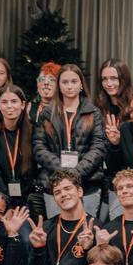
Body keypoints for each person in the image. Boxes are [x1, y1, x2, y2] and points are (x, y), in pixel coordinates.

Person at [35, 64, 109, 215]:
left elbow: (98, 147)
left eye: (74, 82)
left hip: (87, 185)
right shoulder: (47, 113)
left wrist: (76, 173)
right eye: (65, 82)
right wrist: (63, 172)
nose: (69, 86)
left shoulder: (93, 112)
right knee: (58, 234)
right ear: (59, 85)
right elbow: (39, 147)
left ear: (81, 84)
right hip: (55, 185)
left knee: (86, 234)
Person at [0, 84, 37, 207]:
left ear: (23, 105)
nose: (9, 106)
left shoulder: (32, 131)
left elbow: (32, 171)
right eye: (4, 102)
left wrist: (22, 198)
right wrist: (8, 202)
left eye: (14, 101)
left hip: (24, 198)